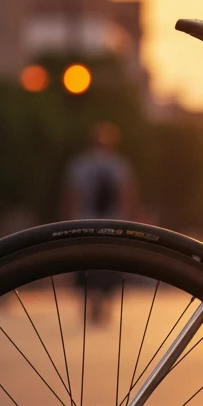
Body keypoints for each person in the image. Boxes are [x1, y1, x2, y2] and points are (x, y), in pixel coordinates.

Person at [62, 121, 139, 322]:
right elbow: (126, 194)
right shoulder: (119, 164)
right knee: (110, 265)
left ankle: (92, 302)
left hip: (83, 223)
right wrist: (128, 222)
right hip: (113, 224)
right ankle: (103, 304)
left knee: (86, 264)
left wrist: (67, 222)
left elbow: (72, 195)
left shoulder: (79, 164)